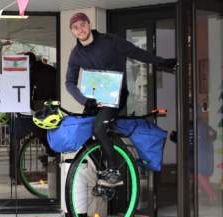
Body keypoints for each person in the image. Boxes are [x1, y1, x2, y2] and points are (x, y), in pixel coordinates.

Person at [66, 12, 177, 187]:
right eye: (75, 27)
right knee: (84, 135)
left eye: (82, 25)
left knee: (99, 128)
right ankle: (103, 168)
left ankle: (114, 170)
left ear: (89, 24)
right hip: (94, 100)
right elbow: (69, 83)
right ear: (72, 31)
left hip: (115, 96)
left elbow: (135, 52)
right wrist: (85, 101)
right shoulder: (76, 54)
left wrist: (161, 62)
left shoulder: (109, 41)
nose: (80, 29)